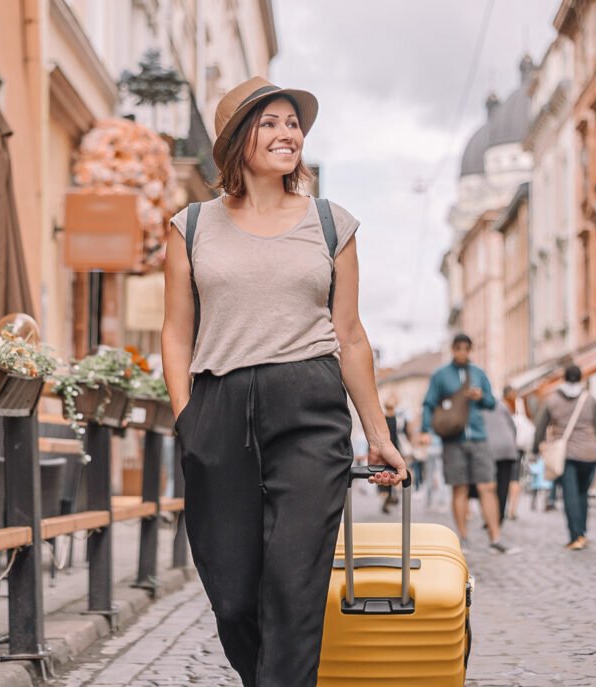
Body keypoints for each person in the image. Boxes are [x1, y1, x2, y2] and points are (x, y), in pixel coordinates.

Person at [161, 76, 406, 687]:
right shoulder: (190, 226)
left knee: (295, 587)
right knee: (235, 595)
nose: (287, 132)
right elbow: (173, 333)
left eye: (292, 123)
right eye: (269, 122)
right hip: (219, 408)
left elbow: (349, 334)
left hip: (309, 407)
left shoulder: (331, 224)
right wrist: (188, 418)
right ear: (238, 140)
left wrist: (377, 433)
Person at [419, 333, 510, 553]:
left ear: (470, 350)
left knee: (488, 486)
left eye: (466, 348)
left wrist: (481, 397)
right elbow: (429, 403)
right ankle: (463, 537)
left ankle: (495, 537)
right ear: (453, 349)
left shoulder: (478, 374)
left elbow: (491, 403)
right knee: (459, 489)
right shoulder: (441, 375)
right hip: (453, 439)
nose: (462, 352)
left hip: (479, 437)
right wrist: (425, 430)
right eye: (458, 348)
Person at [532, 365, 596, 550]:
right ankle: (582, 533)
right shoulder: (589, 399)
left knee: (570, 495)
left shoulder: (553, 400)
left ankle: (576, 536)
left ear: (564, 378)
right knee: (582, 494)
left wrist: (536, 448)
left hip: (565, 454)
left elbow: (540, 427)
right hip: (589, 454)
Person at [482, 404, 518, 528]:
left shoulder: (477, 407)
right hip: (507, 448)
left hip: (489, 449)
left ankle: (491, 518)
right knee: (503, 485)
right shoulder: (502, 405)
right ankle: (499, 517)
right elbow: (513, 427)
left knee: (488, 486)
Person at [503, 385, 534, 520]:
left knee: (504, 477)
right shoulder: (521, 404)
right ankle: (512, 510)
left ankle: (503, 506)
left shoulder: (502, 405)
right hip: (519, 446)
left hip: (504, 446)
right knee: (515, 478)